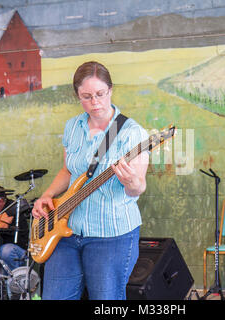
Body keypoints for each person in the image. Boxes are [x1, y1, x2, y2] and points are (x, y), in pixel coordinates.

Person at [32, 61, 149, 300]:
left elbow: (138, 187)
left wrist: (131, 181)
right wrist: (46, 195)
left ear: (111, 90)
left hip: (111, 235)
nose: (94, 102)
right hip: (66, 229)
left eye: (99, 94)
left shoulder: (131, 133)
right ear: (77, 96)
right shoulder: (72, 127)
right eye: (86, 96)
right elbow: (68, 170)